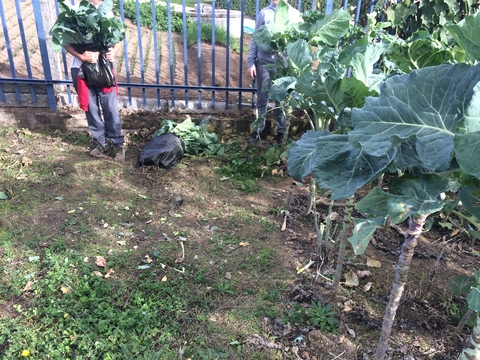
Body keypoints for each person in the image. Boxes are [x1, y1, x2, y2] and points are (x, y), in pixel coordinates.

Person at [63, 0, 125, 161]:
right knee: (90, 108)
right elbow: (65, 42)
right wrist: (81, 56)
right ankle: (101, 142)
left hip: (103, 68)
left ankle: (118, 144)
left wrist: (113, 52)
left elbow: (119, 39)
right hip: (81, 69)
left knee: (110, 106)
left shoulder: (107, 13)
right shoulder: (75, 12)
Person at [246, 0, 285, 144]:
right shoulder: (264, 13)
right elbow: (255, 39)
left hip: (283, 66)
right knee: (262, 99)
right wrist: (251, 62)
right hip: (263, 63)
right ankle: (258, 131)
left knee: (281, 101)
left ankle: (281, 133)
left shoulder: (294, 15)